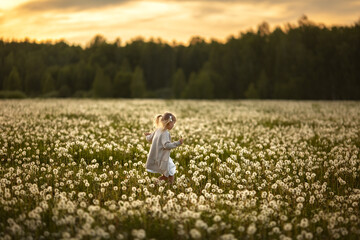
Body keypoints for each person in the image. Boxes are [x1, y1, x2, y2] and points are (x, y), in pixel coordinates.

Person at [144, 112, 183, 184]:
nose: (173, 125)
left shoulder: (158, 130)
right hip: (163, 157)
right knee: (170, 172)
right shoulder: (165, 133)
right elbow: (166, 145)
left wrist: (147, 135)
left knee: (167, 174)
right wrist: (178, 143)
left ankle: (157, 185)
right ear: (169, 122)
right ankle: (170, 185)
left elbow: (149, 139)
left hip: (159, 156)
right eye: (173, 123)